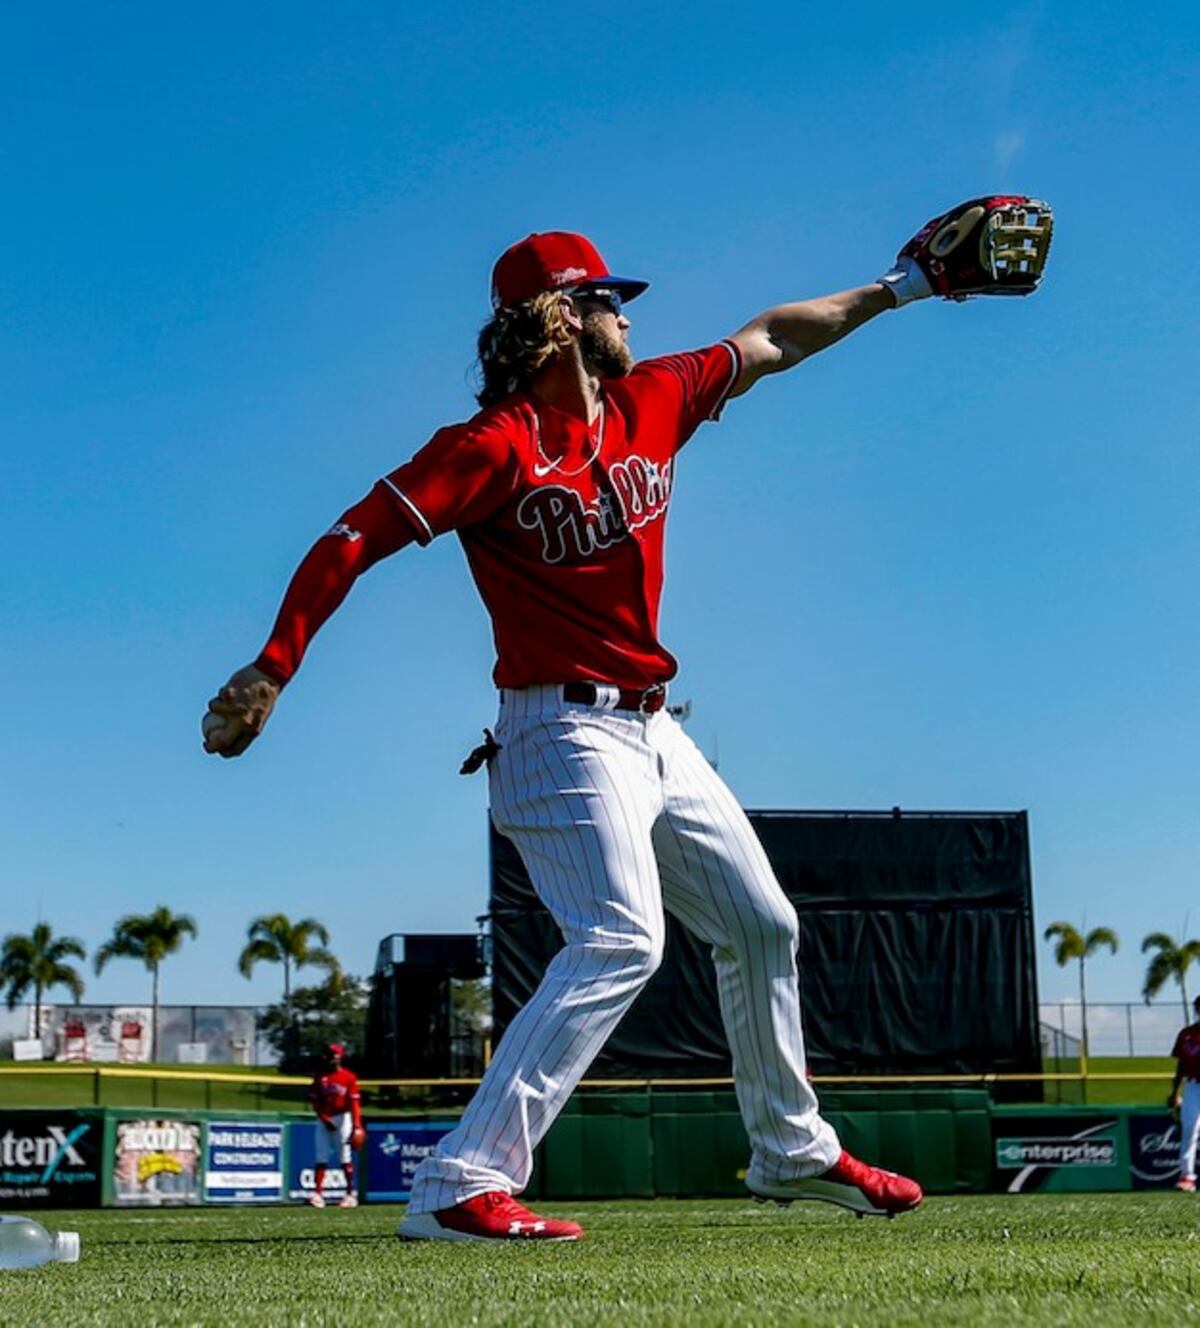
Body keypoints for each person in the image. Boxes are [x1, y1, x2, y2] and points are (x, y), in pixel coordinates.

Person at [203, 224, 963, 1242]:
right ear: (559, 317)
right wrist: (274, 662)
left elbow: (774, 338)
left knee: (761, 923)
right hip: (558, 731)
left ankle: (792, 1147)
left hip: (654, 728)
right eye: (607, 298)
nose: (627, 314)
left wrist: (904, 285)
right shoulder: (494, 446)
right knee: (619, 937)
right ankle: (458, 1181)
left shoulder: (654, 397)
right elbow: (353, 535)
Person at [307, 1042, 364, 1208]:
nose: (332, 1058)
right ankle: (318, 1194)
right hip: (325, 1118)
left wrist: (357, 1125)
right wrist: (324, 1119)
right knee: (321, 1156)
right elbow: (315, 1101)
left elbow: (354, 1105)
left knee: (344, 1156)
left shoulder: (349, 1077)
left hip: (342, 1117)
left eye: (334, 1055)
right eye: (330, 1055)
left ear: (340, 1056)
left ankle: (350, 1194)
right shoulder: (320, 1077)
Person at [1169, 997, 1200, 1192]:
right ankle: (1187, 1176)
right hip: (1193, 1086)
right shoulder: (1187, 1034)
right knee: (1190, 1128)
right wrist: (1174, 1091)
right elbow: (1180, 1065)